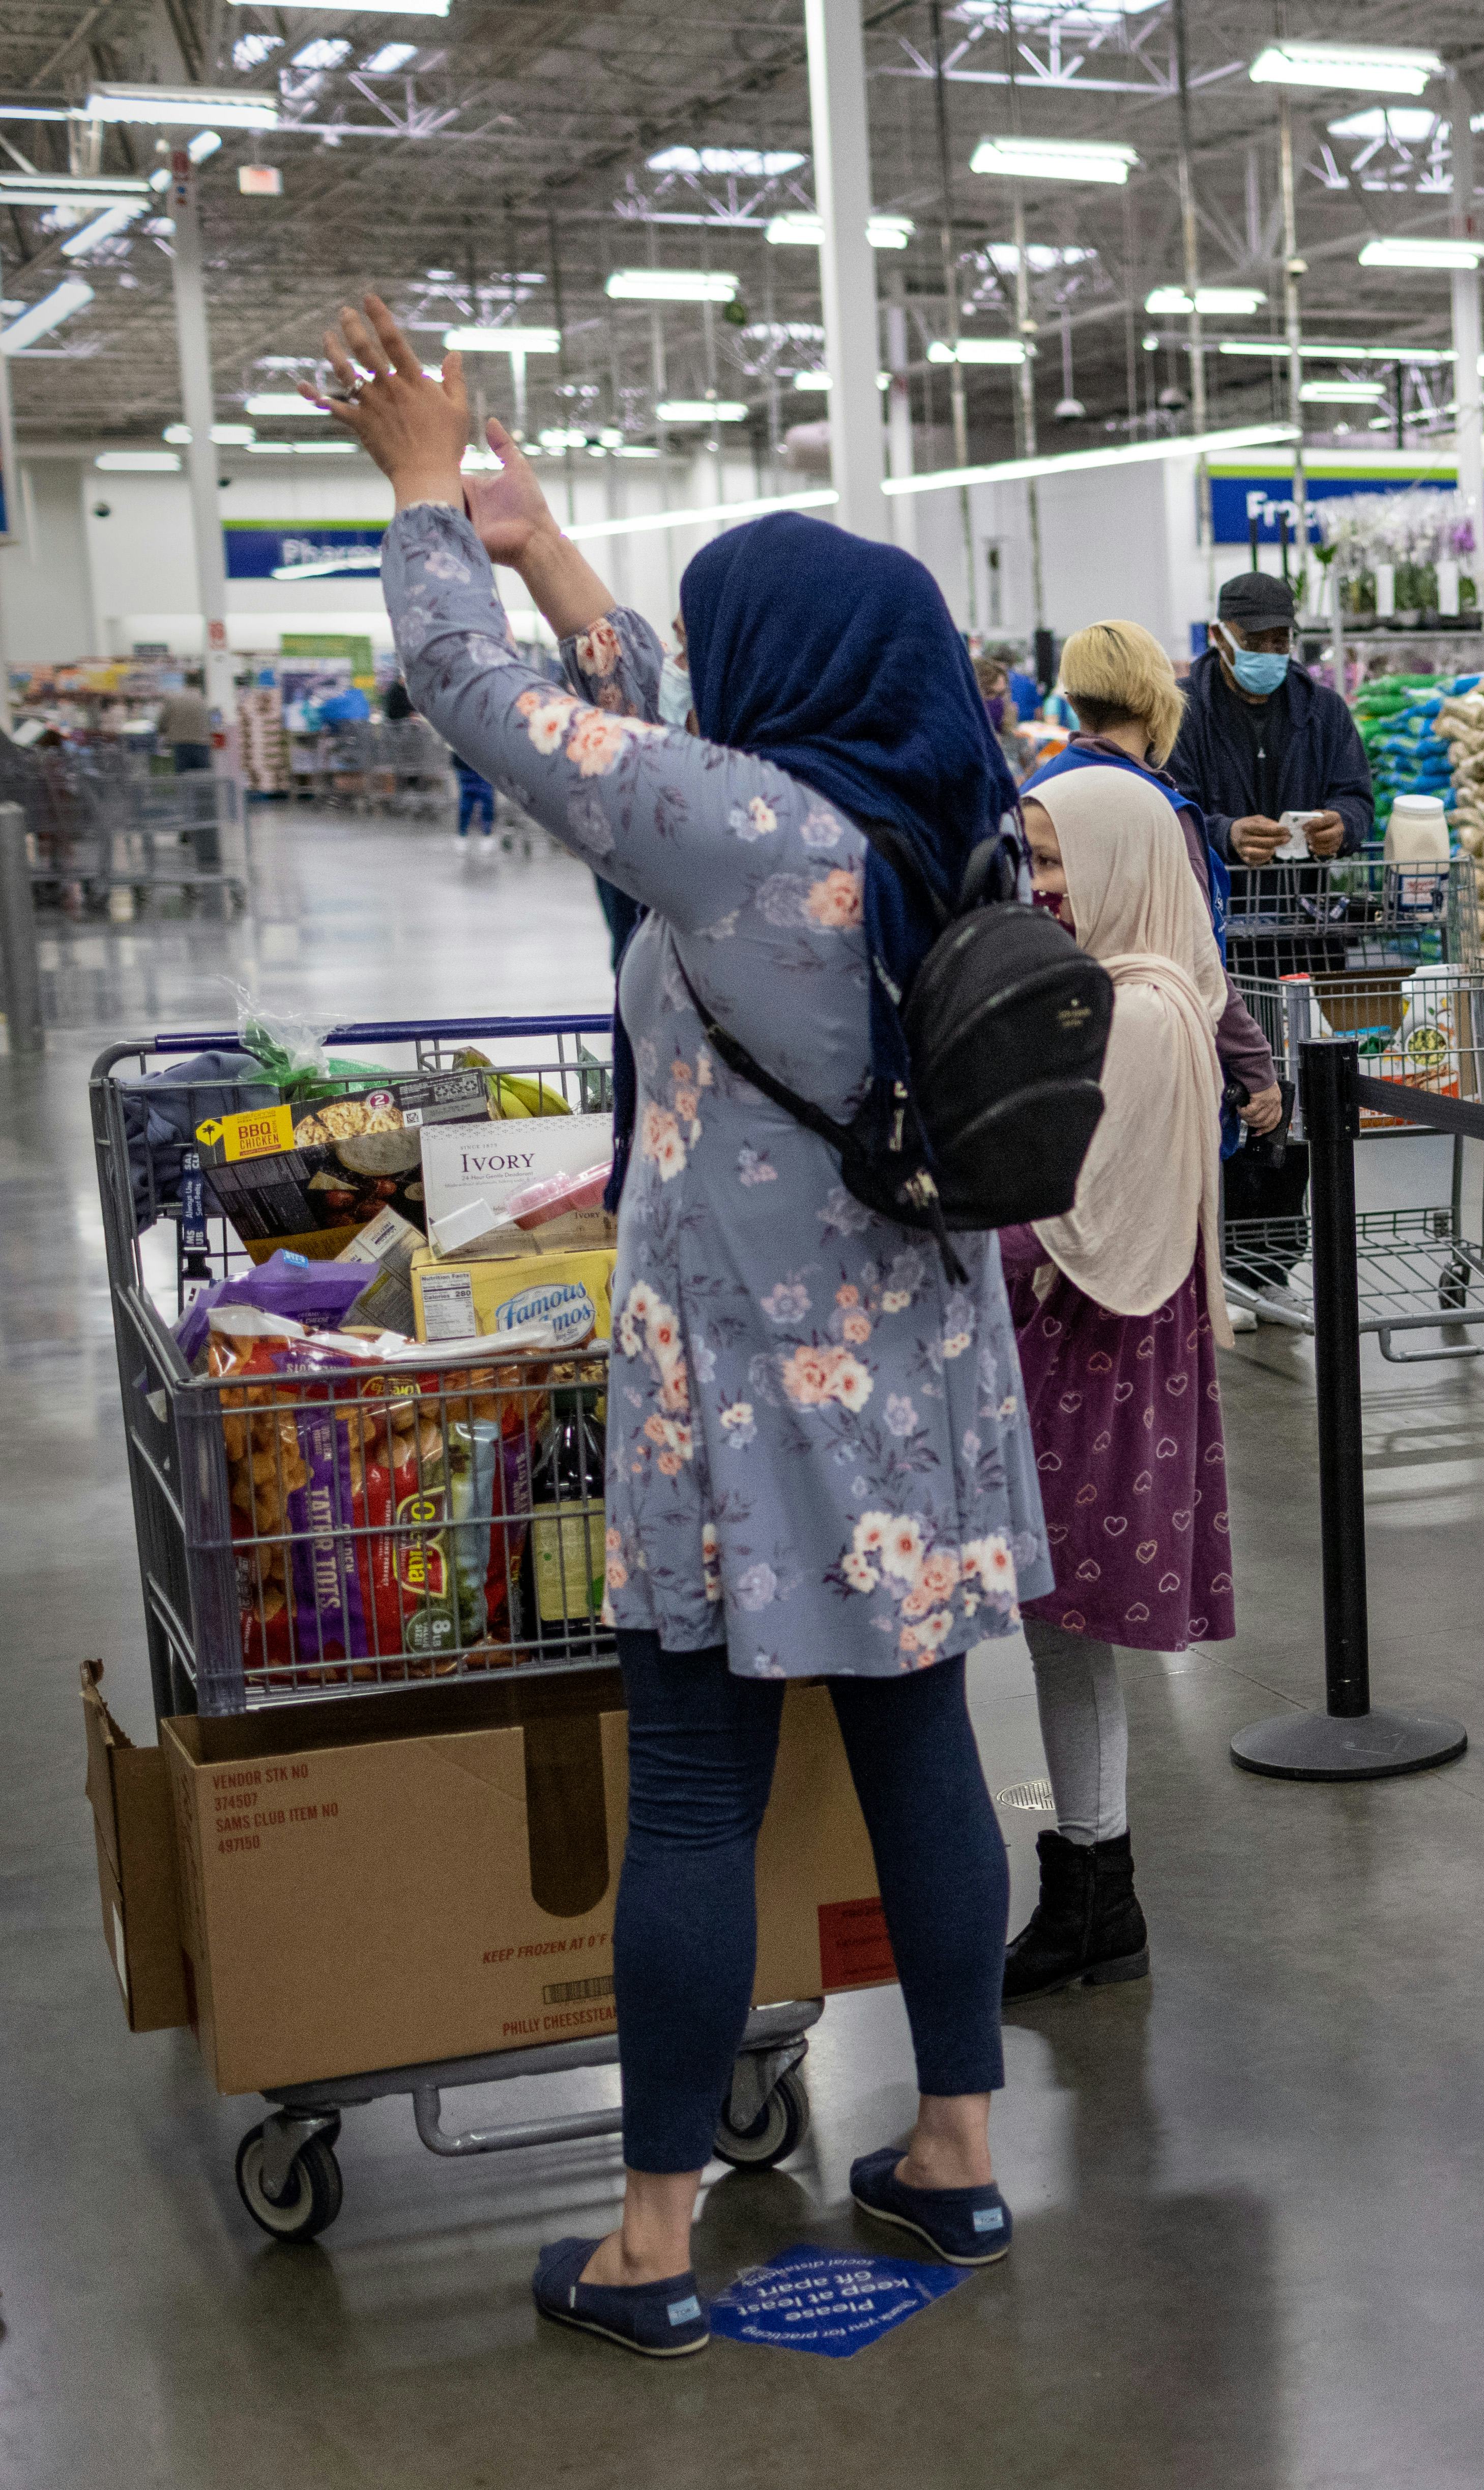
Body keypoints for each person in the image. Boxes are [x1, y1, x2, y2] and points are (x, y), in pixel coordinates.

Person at [317, 294, 1045, 2358]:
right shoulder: (933, 812)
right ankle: (961, 2148)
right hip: (917, 1393)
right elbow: (668, 719)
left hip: (741, 1403)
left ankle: (650, 2236)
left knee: (702, 1787)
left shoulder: (738, 836)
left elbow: (475, 695)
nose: (707, 684)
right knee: (923, 1749)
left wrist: (418, 507)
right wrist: (546, 544)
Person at [998, 627, 1276, 1999]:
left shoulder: (1143, 1010)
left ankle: (1096, 1893)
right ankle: (1089, 1885)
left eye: (1060, 864)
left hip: (1090, 1342)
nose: (1043, 888)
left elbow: (1064, 1211)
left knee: (1072, 1623)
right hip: (1081, 1337)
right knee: (1064, 1631)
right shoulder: (1108, 991)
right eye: (1030, 862)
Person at [1163, 572, 1374, 1291]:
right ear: (1220, 636)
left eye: (1281, 640)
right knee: (1228, 1091)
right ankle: (1220, 1252)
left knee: (1304, 1097)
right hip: (1216, 934)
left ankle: (1272, 1253)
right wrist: (1222, 833)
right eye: (1255, 641)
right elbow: (1167, 802)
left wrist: (1341, 827)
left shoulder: (1324, 711)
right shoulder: (1181, 712)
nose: (1270, 652)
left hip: (1305, 931)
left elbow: (1359, 798)